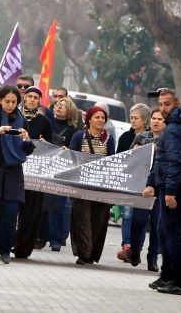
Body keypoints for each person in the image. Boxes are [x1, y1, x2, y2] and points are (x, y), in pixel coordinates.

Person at [143, 89, 181, 295]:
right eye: (161, 103)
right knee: (163, 230)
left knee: (172, 234)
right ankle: (168, 276)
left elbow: (175, 162)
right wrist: (152, 183)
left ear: (177, 103)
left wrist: (170, 192)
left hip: (176, 186)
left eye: (167, 104)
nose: (163, 108)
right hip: (179, 183)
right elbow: (163, 159)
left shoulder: (175, 129)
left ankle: (180, 282)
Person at [0, 86, 35, 264]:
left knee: (11, 212)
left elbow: (28, 151)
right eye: (7, 101)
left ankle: (5, 250)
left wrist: (26, 139)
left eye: (14, 102)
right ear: (0, 100)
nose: (10, 105)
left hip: (13, 171)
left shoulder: (21, 120)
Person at [69, 106, 116, 265]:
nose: (101, 120)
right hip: (81, 184)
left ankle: (92, 253)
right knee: (81, 219)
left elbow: (111, 160)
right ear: (88, 119)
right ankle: (83, 253)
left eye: (103, 118)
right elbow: (71, 158)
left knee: (98, 219)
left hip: (101, 185)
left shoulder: (109, 139)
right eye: (97, 117)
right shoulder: (78, 136)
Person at [12, 86, 52, 259]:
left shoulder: (44, 121)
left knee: (31, 211)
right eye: (30, 97)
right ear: (24, 98)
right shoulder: (16, 117)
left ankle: (23, 247)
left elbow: (51, 147)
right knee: (12, 208)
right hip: (16, 168)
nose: (32, 100)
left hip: (36, 173)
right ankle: (8, 241)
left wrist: (45, 142)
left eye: (36, 97)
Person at [128, 108, 165, 271]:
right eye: (154, 118)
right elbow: (129, 159)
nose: (156, 121)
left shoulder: (169, 140)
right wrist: (136, 152)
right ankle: (135, 251)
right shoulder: (141, 137)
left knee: (157, 224)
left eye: (160, 119)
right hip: (142, 185)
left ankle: (153, 258)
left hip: (160, 186)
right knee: (138, 221)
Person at [42, 97, 79, 252]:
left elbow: (75, 152)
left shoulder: (74, 131)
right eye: (58, 105)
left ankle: (56, 239)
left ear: (70, 111)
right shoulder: (47, 124)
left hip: (62, 171)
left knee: (59, 206)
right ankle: (41, 237)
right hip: (44, 169)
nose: (59, 107)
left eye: (63, 106)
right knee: (43, 205)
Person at [115, 103, 151, 262]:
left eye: (136, 118)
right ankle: (127, 246)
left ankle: (137, 248)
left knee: (141, 217)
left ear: (145, 120)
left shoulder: (152, 137)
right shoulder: (125, 137)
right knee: (127, 214)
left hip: (145, 182)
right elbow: (118, 159)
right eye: (131, 118)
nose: (133, 121)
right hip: (128, 181)